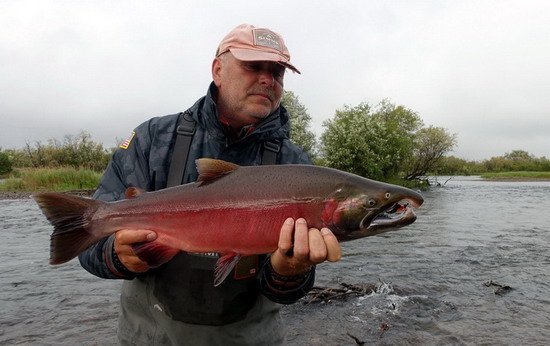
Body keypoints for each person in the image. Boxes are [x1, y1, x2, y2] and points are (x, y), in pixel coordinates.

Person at [79, 24, 342, 345]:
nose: (267, 79)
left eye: (277, 72)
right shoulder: (152, 140)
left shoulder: (296, 163)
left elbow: (286, 291)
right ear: (218, 69)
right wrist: (117, 255)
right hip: (150, 336)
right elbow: (89, 246)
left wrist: (290, 273)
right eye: (253, 66)